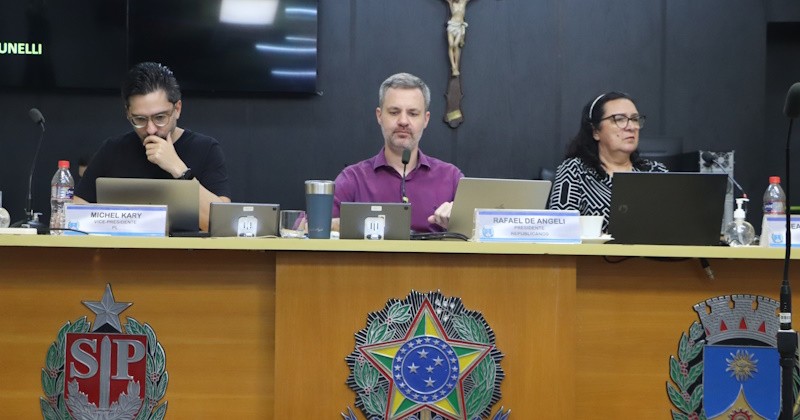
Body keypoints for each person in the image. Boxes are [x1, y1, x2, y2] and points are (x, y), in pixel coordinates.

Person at [74, 62, 231, 231]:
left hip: (184, 248)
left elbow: (221, 225)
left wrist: (179, 170)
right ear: (128, 113)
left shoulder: (205, 148)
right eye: (140, 119)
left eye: (160, 117)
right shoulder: (113, 149)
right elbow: (75, 210)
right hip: (124, 247)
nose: (150, 129)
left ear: (177, 109)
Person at [332, 72, 464, 232]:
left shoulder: (451, 178)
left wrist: (459, 222)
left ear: (426, 119)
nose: (403, 121)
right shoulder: (353, 179)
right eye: (394, 112)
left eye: (413, 113)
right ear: (379, 116)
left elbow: (482, 229)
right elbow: (315, 228)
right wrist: (359, 224)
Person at [548, 91, 667, 231]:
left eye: (635, 119)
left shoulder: (656, 171)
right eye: (619, 119)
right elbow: (560, 230)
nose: (631, 127)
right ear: (595, 131)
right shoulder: (575, 171)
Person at [445, 0, 469, 77]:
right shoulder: (451, 2)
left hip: (459, 26)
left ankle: (456, 66)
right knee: (451, 45)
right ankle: (454, 67)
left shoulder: (464, 1)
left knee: (456, 45)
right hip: (451, 25)